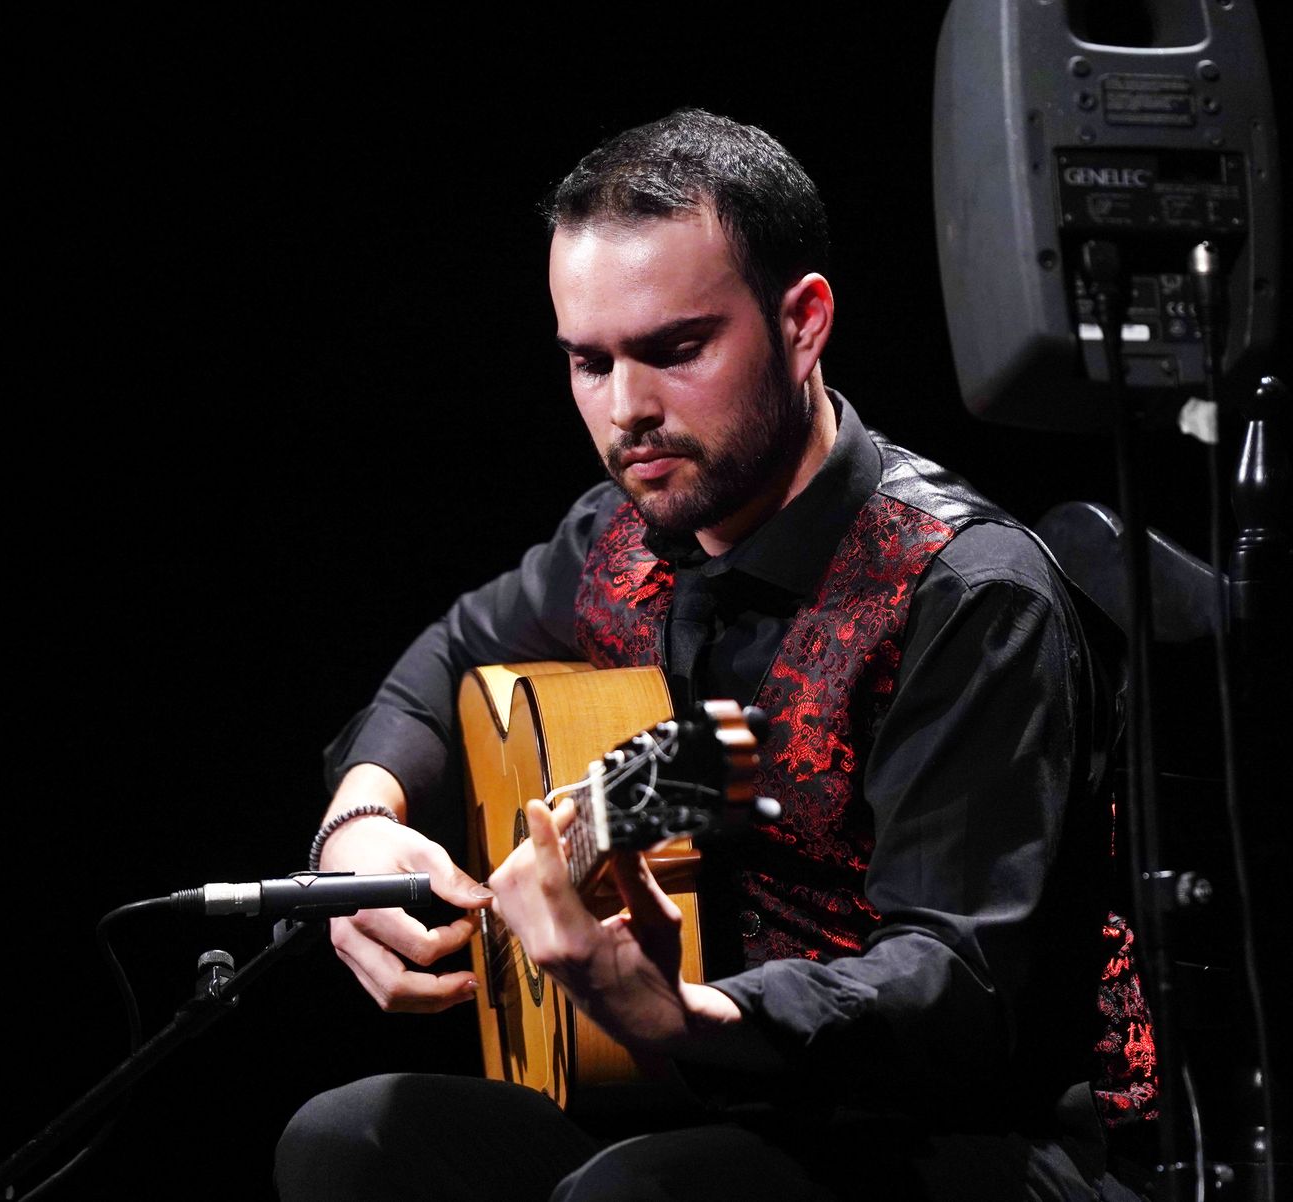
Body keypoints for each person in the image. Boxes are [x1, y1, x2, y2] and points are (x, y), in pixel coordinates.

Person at [276, 109, 1150, 1201]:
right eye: (589, 363)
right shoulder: (617, 534)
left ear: (803, 323)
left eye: (676, 350)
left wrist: (689, 1012)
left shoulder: (965, 593)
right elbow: (446, 660)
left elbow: (958, 982)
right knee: (350, 1138)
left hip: (967, 1134)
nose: (627, 410)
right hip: (700, 1102)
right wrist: (359, 824)